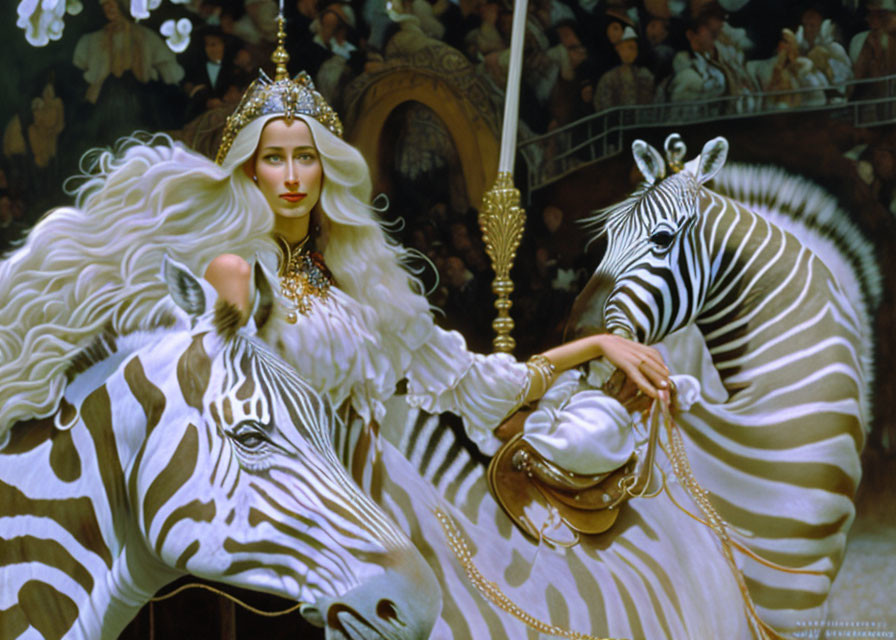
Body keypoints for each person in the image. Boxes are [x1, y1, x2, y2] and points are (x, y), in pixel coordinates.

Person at [0, 45, 672, 476]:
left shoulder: (360, 281)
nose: (291, 174)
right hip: (286, 523)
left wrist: (596, 344)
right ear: (249, 172)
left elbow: (476, 386)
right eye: (273, 157)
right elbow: (225, 427)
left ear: (328, 169)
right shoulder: (234, 276)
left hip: (380, 504)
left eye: (306, 156)